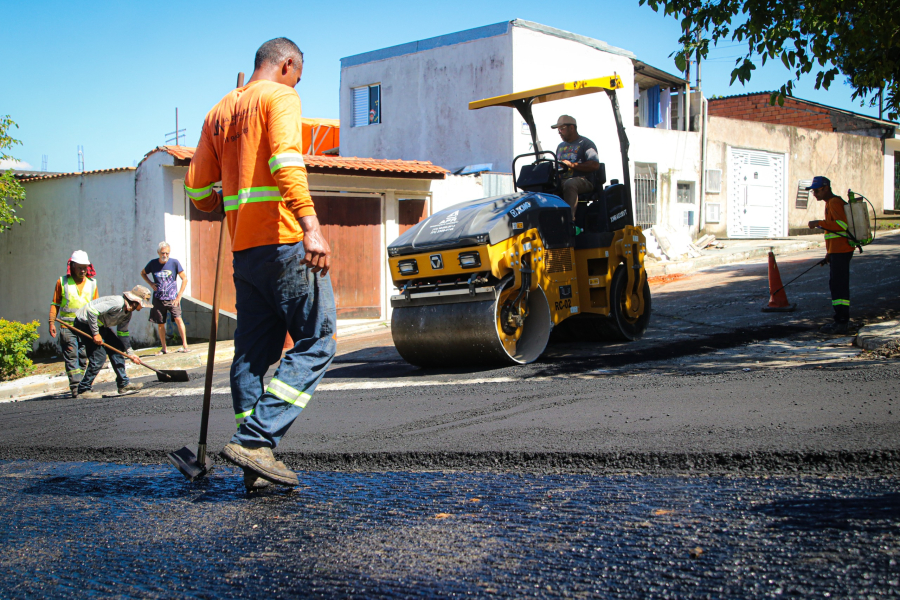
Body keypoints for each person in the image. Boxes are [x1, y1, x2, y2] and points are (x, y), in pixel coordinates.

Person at [184, 37, 337, 491]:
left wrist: (221, 199)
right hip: (285, 242)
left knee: (250, 358)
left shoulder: (217, 112)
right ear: (287, 64)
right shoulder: (280, 96)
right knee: (318, 339)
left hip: (245, 254)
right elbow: (287, 161)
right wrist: (311, 226)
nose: (298, 82)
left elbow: (196, 188)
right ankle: (255, 439)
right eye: (299, 74)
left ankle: (256, 465)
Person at [73, 286, 151, 399]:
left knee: (118, 347)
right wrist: (95, 334)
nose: (142, 307)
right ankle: (83, 389)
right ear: (136, 301)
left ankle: (123, 384)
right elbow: (92, 311)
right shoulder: (117, 303)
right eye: (142, 304)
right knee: (99, 357)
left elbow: (123, 333)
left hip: (100, 326)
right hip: (85, 323)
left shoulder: (127, 313)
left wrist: (130, 353)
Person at [807, 176, 855, 334]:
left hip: (842, 251)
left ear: (826, 188)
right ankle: (840, 320)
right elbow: (833, 233)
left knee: (839, 287)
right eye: (813, 190)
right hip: (837, 251)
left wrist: (819, 223)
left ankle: (842, 322)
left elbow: (841, 225)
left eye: (816, 190)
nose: (814, 193)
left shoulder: (834, 202)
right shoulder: (830, 203)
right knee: (836, 286)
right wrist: (829, 254)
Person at [48, 250, 99, 397]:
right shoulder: (62, 282)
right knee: (71, 357)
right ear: (73, 266)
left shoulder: (92, 283)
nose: (83, 270)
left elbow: (96, 307)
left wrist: (98, 329)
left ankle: (83, 385)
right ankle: (76, 388)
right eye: (79, 267)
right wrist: (51, 322)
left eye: (85, 267)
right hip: (67, 326)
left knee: (83, 356)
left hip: (85, 327)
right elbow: (55, 303)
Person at [140, 241, 190, 354]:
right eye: (163, 253)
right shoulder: (153, 264)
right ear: (158, 252)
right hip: (158, 298)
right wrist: (151, 284)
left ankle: (185, 345)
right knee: (160, 323)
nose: (165, 255)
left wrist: (179, 296)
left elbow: (185, 279)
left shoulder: (174, 263)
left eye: (167, 253)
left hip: (172, 298)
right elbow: (143, 273)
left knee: (178, 319)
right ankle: (164, 348)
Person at [552, 115, 601, 218]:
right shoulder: (560, 146)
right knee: (546, 186)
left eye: (562, 128)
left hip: (584, 180)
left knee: (570, 184)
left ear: (572, 128)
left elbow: (595, 164)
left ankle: (569, 221)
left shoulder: (586, 144)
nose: (559, 132)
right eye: (558, 129)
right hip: (563, 180)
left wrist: (571, 165)